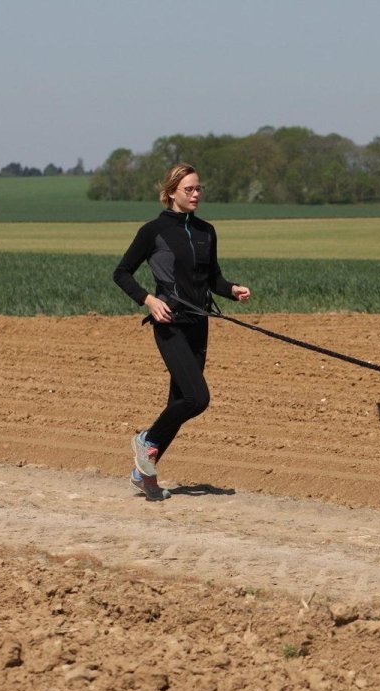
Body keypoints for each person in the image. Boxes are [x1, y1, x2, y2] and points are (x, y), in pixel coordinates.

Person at [112, 163, 251, 500]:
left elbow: (212, 279)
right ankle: (146, 441)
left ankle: (142, 474)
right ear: (171, 192)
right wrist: (148, 300)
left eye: (198, 188)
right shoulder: (153, 231)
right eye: (189, 189)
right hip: (169, 324)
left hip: (198, 325)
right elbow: (122, 273)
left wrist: (231, 289)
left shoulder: (207, 231)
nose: (196, 194)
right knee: (197, 398)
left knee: (179, 402)